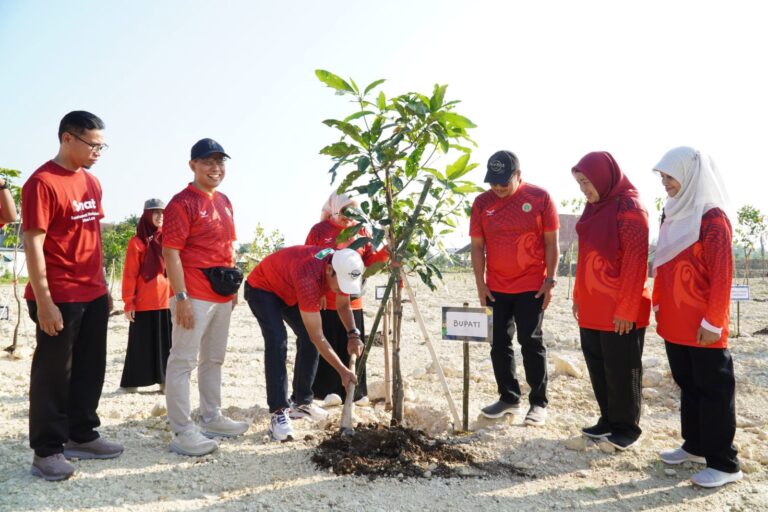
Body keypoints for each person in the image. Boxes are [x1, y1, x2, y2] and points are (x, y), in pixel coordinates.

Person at [22, 111, 123, 481]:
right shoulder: (41, 182)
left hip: (92, 292)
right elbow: (33, 243)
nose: (98, 152)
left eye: (102, 146)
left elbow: (91, 239)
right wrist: (44, 301)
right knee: (53, 375)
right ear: (67, 139)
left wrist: (105, 287)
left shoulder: (92, 182)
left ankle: (81, 435)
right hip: (59, 295)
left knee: (89, 368)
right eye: (93, 145)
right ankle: (46, 450)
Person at [652, 146, 743, 488]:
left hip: (704, 324)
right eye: (663, 177)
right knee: (688, 384)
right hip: (675, 321)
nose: (665, 183)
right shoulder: (671, 213)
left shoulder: (713, 219)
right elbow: (662, 263)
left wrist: (713, 321)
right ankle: (695, 446)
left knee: (713, 390)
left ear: (690, 176)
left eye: (670, 176)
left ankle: (725, 463)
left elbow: (722, 275)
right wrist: (659, 304)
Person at [162, 138, 248, 457]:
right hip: (193, 293)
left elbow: (228, 247)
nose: (215, 168)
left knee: (214, 358)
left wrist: (233, 289)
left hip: (221, 294)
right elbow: (171, 252)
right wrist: (181, 296)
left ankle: (212, 417)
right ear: (193, 165)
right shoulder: (181, 203)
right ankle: (182, 430)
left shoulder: (224, 201)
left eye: (220, 162)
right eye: (208, 162)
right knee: (183, 360)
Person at [470, 150, 559, 426]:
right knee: (498, 343)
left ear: (518, 175)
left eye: (503, 182)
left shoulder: (540, 198)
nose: (497, 187)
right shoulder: (481, 203)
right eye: (492, 182)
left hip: (532, 286)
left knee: (530, 342)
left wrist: (550, 280)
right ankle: (508, 397)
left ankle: (538, 402)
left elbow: (551, 243)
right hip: (495, 287)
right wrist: (480, 284)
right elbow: (477, 247)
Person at [571, 151, 650, 450]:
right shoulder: (593, 208)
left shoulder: (630, 207)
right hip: (593, 305)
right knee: (599, 366)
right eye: (580, 183)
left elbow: (635, 261)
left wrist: (627, 309)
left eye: (587, 182)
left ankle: (626, 428)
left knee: (622, 368)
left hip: (620, 308)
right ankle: (607, 419)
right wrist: (578, 296)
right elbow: (585, 256)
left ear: (603, 177)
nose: (584, 189)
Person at [244, 246, 364, 441]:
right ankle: (278, 412)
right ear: (329, 270)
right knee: (277, 341)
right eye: (341, 284)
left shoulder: (341, 264)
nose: (343, 290)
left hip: (289, 289)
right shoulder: (309, 278)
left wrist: (353, 334)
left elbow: (343, 305)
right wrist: (343, 371)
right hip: (262, 289)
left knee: (307, 337)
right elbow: (318, 336)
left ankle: (302, 403)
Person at [305, 191, 388, 406]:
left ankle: (356, 392)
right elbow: (310, 260)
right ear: (334, 209)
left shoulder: (361, 231)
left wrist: (387, 252)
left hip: (352, 298)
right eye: (343, 211)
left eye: (352, 212)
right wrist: (318, 292)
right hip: (326, 299)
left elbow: (369, 262)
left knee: (352, 342)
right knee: (328, 342)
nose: (347, 216)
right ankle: (327, 393)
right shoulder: (319, 231)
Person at [120, 198, 172, 393]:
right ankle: (132, 384)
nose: (160, 216)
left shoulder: (169, 239)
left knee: (167, 345)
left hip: (167, 301)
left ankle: (166, 384)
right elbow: (130, 274)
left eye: (162, 212)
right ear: (147, 215)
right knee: (139, 345)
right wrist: (129, 302)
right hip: (143, 303)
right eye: (155, 212)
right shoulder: (137, 242)